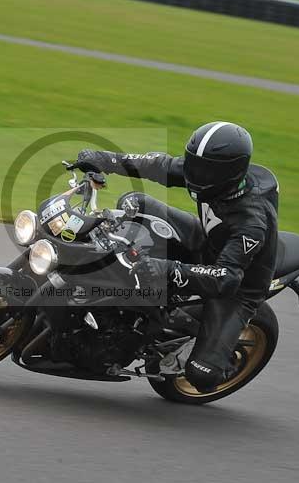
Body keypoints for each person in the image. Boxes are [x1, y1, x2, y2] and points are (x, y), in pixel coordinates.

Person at [74, 121, 278, 393]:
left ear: (229, 172)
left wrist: (165, 269)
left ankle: (167, 331)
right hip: (207, 241)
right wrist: (104, 159)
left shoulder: (251, 221)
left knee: (202, 376)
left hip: (235, 287)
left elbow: (226, 279)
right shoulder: (208, 174)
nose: (194, 173)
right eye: (193, 163)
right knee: (134, 203)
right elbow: (157, 164)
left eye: (204, 169)